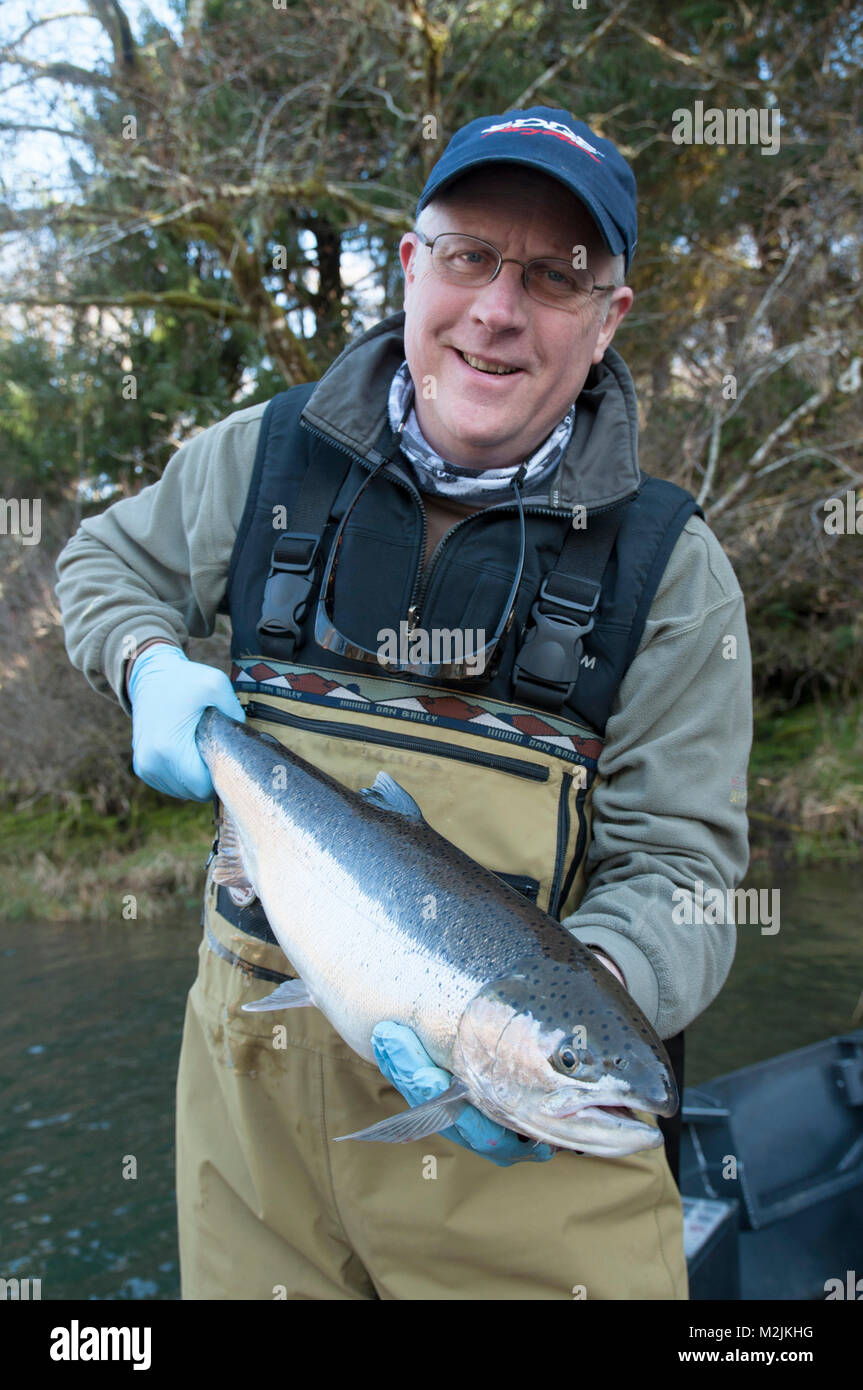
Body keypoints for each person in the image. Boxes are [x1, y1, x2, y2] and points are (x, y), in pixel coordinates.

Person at [55, 106, 752, 1300]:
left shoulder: (672, 574)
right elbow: (101, 566)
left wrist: (577, 1015)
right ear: (410, 266)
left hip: (537, 1192)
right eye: (470, 256)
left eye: (552, 277)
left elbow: (686, 869)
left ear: (606, 323)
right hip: (250, 1146)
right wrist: (142, 662)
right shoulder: (262, 459)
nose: (496, 308)